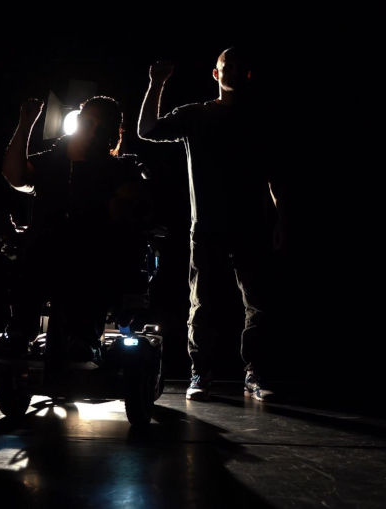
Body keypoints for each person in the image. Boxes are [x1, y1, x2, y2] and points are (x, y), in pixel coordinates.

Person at [138, 48, 282, 401]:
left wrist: (282, 221)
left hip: (252, 227)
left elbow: (275, 177)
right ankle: (200, 373)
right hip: (207, 227)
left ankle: (254, 373)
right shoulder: (197, 116)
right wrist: (157, 83)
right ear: (216, 74)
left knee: (259, 304)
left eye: (238, 66)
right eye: (225, 66)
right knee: (203, 302)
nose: (231, 71)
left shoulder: (259, 120)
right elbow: (147, 130)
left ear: (247, 75)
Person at [0, 96, 153, 363]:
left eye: (99, 125)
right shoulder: (52, 161)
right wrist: (26, 124)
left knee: (91, 258)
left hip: (93, 253)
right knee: (28, 253)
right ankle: (21, 331)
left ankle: (84, 338)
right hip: (46, 249)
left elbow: (131, 208)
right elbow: (14, 174)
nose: (91, 128)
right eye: (88, 120)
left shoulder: (117, 169)